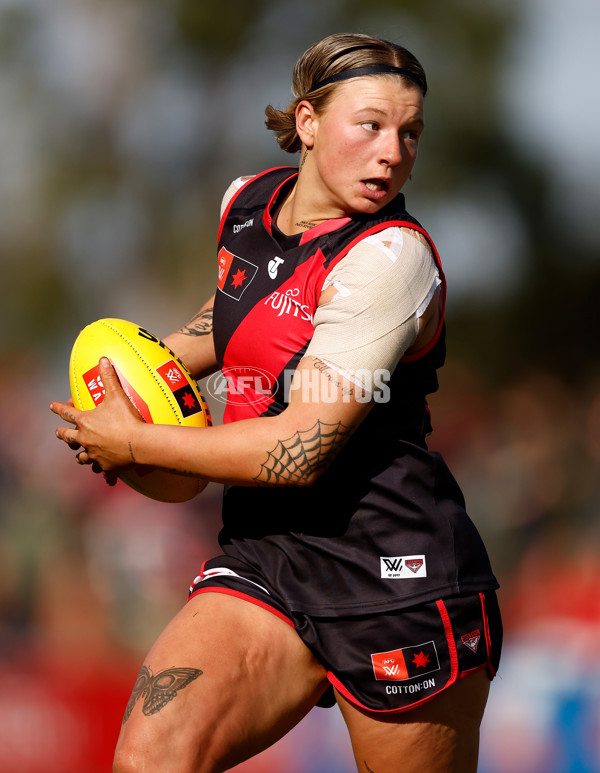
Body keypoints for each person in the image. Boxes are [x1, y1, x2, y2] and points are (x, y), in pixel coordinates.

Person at [51, 32, 502, 773]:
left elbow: (297, 449)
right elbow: (230, 318)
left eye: (411, 131)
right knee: (150, 758)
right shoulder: (248, 202)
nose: (394, 151)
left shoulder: (390, 259)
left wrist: (134, 443)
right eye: (371, 125)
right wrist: (128, 376)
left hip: (395, 576)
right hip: (269, 556)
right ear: (308, 122)